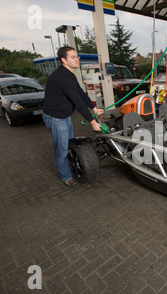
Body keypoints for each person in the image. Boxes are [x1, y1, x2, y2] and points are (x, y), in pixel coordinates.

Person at [42, 46, 104, 188]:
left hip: (64, 115)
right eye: (72, 57)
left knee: (70, 143)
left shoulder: (70, 75)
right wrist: (93, 122)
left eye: (77, 57)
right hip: (56, 117)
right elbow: (77, 102)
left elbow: (81, 94)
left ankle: (71, 165)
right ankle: (66, 176)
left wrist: (94, 108)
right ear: (64, 60)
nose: (77, 60)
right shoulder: (63, 77)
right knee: (62, 148)